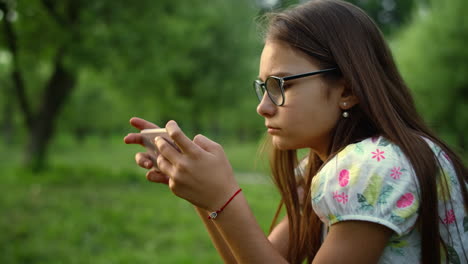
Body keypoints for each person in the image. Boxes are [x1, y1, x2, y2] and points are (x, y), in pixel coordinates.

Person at [124, 0, 468, 263]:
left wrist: (222, 198)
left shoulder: (374, 169)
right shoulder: (328, 166)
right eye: (263, 87)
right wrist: (201, 191)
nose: (263, 107)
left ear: (346, 90)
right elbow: (255, 256)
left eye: (279, 85)